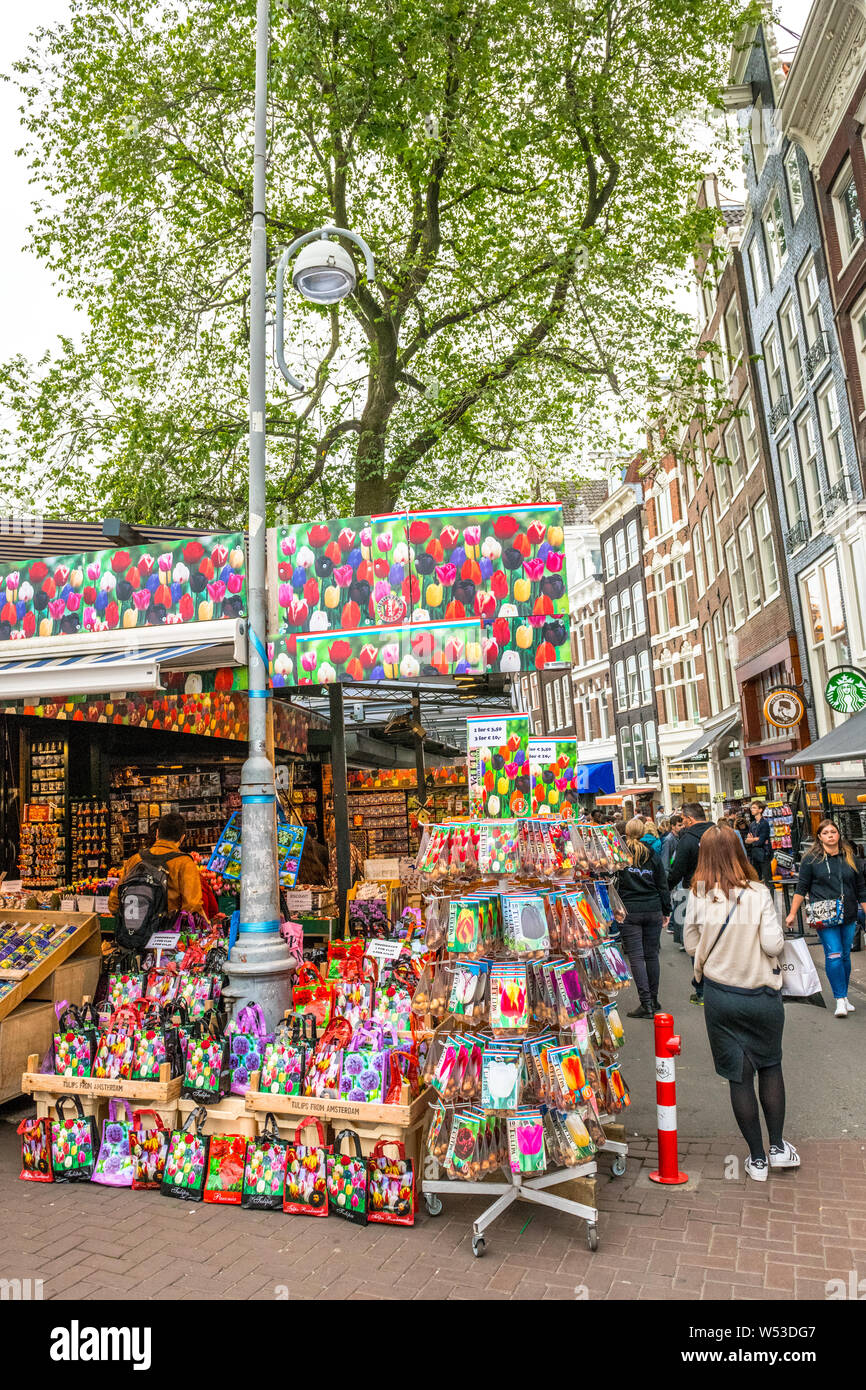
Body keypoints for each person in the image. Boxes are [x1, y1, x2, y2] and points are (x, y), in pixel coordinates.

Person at [684, 825, 798, 1181]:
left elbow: (690, 943)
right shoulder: (758, 893)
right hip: (761, 994)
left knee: (739, 1076)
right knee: (770, 1065)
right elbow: (772, 945)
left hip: (721, 995)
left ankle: (757, 1159)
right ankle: (778, 1147)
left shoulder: (698, 893)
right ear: (739, 852)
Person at [785, 820, 866, 1018]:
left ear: (839, 835)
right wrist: (792, 913)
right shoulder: (811, 860)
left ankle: (844, 995)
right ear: (819, 837)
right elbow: (801, 887)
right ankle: (839, 999)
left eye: (833, 832)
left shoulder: (851, 859)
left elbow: (862, 890)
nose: (831, 835)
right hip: (823, 914)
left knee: (845, 955)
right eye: (826, 832)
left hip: (847, 913)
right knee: (834, 954)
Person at [615, 817, 672, 1019]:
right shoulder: (652, 855)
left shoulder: (621, 855)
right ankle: (654, 1000)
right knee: (651, 955)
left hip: (630, 910)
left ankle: (646, 1003)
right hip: (653, 908)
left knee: (637, 957)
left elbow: (614, 883)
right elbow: (662, 884)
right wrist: (666, 910)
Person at [108, 810, 204, 921]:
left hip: (136, 933)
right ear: (182, 838)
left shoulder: (135, 859)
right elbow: (193, 905)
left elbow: (113, 902)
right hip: (169, 934)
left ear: (157, 833)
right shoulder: (184, 863)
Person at [668, 801, 714, 950]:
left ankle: (700, 967)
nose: (682, 822)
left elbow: (678, 869)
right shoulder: (720, 833)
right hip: (721, 885)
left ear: (690, 818)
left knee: (697, 930)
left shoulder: (687, 840)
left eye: (683, 818)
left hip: (696, 887)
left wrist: (666, 887)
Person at [745, 801, 772, 887]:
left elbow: (761, 841)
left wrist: (752, 839)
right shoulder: (752, 824)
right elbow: (746, 840)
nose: (752, 810)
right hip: (755, 854)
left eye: (754, 808)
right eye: (751, 808)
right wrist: (754, 839)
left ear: (760, 810)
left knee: (768, 880)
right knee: (756, 880)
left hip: (764, 854)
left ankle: (773, 899)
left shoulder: (764, 823)